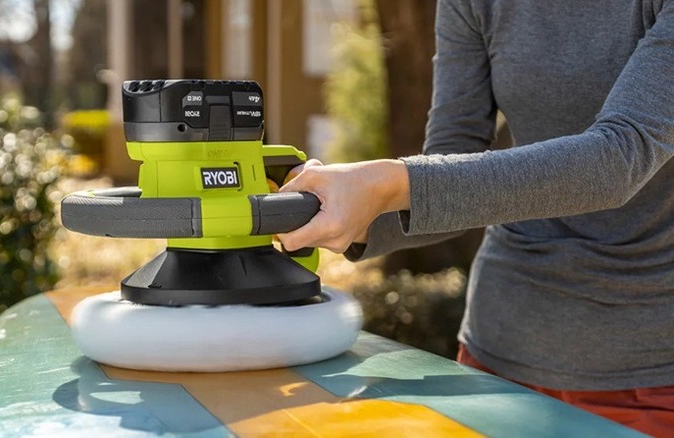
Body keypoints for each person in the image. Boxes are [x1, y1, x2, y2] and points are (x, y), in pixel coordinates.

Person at [277, 0, 674, 435]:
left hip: (647, 371)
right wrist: (312, 209)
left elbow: (618, 160)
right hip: (498, 352)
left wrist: (390, 183)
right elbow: (450, 171)